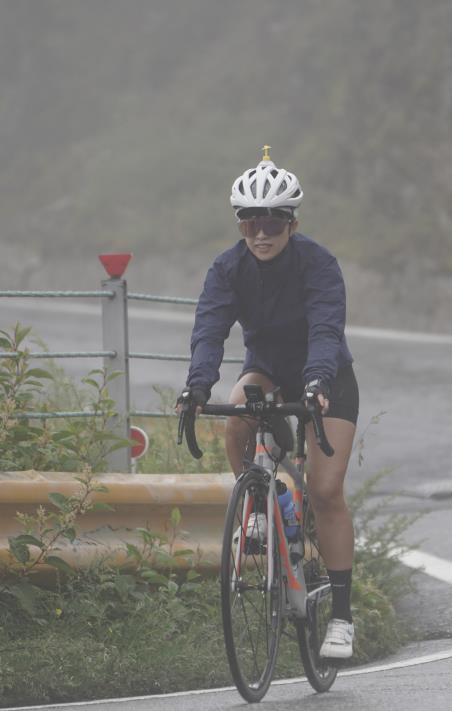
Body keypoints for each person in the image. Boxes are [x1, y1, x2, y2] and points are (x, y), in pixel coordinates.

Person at [177, 146, 359, 660]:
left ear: (292, 223)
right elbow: (210, 332)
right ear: (240, 225)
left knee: (325, 490)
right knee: (237, 407)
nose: (261, 232)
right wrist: (195, 386)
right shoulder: (227, 269)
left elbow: (326, 329)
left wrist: (319, 381)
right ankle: (260, 502)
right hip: (268, 368)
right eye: (251, 221)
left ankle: (342, 618)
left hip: (328, 375)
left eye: (273, 222)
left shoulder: (319, 265)